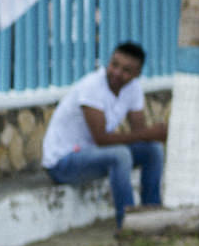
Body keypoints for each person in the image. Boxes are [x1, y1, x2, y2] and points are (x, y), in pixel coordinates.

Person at [39, 42, 166, 227]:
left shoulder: (134, 89)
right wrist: (150, 133)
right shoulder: (92, 87)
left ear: (137, 73)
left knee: (153, 150)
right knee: (120, 155)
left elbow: (140, 134)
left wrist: (150, 135)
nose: (117, 72)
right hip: (62, 163)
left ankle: (152, 214)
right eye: (114, 65)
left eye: (126, 70)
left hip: (91, 155)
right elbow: (102, 139)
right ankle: (128, 225)